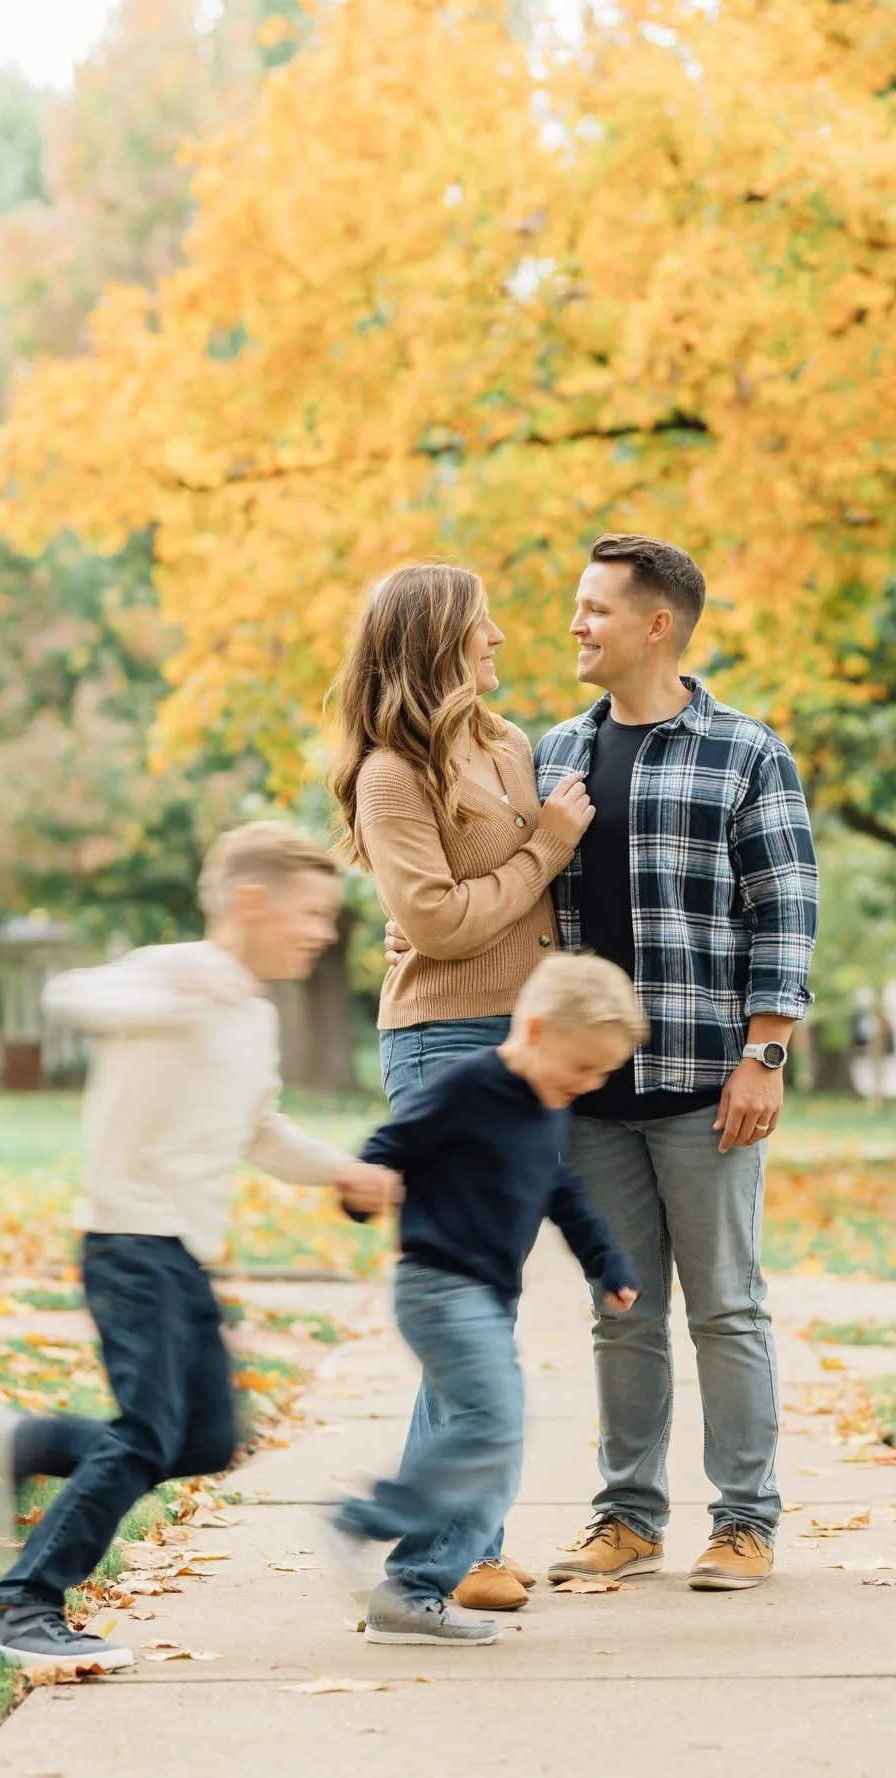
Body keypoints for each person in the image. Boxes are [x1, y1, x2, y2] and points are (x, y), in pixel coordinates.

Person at [388, 534, 818, 1592]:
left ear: (655, 623)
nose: (573, 625)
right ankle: (627, 1515)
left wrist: (765, 1055)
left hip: (709, 1082)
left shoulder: (745, 749)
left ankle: (745, 1520)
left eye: (594, 609)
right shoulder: (555, 757)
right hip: (586, 1092)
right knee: (620, 1309)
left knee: (727, 1306)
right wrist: (413, 932)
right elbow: (499, 877)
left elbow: (788, 918)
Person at [0, 823, 400, 1674]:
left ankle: (31, 1442)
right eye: (309, 913)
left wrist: (348, 1172)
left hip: (183, 1250)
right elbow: (74, 995)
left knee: (204, 1439)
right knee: (145, 1431)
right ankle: (22, 1605)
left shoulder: (252, 1014)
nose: (322, 931)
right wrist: (168, 998)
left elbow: (261, 1130)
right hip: (130, 1237)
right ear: (251, 902)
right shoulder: (177, 969)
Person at [328, 561, 596, 1612]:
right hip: (445, 1043)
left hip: (524, 1042)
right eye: (480, 630)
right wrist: (545, 845)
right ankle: (433, 1555)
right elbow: (439, 923)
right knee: (471, 1306)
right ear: (438, 641)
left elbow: (488, 905)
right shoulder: (392, 773)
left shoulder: (509, 742)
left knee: (493, 1301)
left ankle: (468, 1539)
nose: (497, 643)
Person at [326, 953, 644, 1647]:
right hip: (438, 1286)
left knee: (493, 1444)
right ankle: (372, 1523)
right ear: (532, 1030)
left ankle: (413, 1596)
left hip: (485, 1296)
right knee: (494, 1424)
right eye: (579, 1068)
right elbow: (387, 1145)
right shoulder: (466, 1086)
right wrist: (361, 1191)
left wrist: (607, 1264)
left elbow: (564, 1195)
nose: (586, 1086)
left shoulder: (544, 1104)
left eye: (600, 1075)